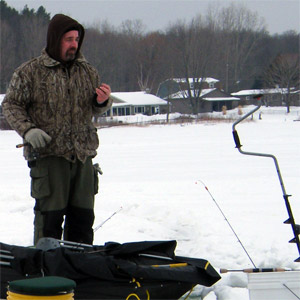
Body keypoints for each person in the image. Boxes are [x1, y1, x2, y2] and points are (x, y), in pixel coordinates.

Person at [2, 14, 113, 245]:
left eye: (76, 39)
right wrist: (28, 130)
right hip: (49, 158)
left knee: (82, 224)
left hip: (83, 159)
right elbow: (11, 105)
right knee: (48, 226)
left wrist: (102, 102)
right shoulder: (30, 72)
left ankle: (79, 273)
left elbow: (93, 108)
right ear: (55, 40)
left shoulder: (87, 72)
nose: (74, 44)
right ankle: (46, 275)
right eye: (68, 39)